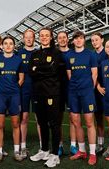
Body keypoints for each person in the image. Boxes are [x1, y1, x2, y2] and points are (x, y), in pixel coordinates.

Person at [29, 27, 65, 168]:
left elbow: (53, 70)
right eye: (41, 35)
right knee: (42, 123)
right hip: (38, 93)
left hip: (52, 93)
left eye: (46, 35)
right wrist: (44, 69)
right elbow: (31, 72)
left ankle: (55, 155)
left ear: (51, 37)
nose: (44, 37)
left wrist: (38, 69)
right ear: (39, 37)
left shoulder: (56, 53)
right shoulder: (35, 54)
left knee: (54, 124)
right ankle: (44, 150)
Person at [0, 36, 24, 163]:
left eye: (11, 43)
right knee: (0, 124)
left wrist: (15, 87)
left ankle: (16, 151)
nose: (8, 46)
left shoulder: (18, 60)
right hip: (0, 96)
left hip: (14, 95)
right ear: (2, 46)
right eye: (6, 43)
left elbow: (21, 78)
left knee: (16, 124)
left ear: (14, 46)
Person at [66, 31, 97, 165]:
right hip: (73, 92)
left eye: (81, 38)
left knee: (89, 122)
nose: (78, 41)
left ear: (84, 40)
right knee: (76, 121)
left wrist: (89, 89)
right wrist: (75, 87)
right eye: (76, 39)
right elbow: (69, 75)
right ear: (73, 41)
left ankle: (93, 153)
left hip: (87, 92)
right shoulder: (69, 55)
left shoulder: (91, 54)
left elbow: (94, 74)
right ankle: (82, 151)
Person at [91, 32, 109, 157]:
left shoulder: (108, 53)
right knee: (98, 118)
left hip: (108, 90)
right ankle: (100, 144)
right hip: (97, 90)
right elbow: (93, 74)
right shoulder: (91, 55)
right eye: (92, 40)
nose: (94, 42)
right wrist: (98, 86)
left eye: (96, 39)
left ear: (102, 40)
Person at [17, 29, 38, 159]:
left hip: (37, 90)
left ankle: (43, 146)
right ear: (23, 38)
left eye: (31, 37)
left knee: (39, 118)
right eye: (27, 37)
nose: (29, 39)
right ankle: (23, 146)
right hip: (23, 90)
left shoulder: (39, 52)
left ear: (34, 38)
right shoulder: (19, 54)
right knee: (24, 118)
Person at [56, 31, 78, 155]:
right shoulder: (55, 53)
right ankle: (59, 145)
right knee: (58, 119)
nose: (62, 39)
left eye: (64, 37)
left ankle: (73, 145)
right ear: (57, 40)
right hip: (57, 90)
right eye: (60, 38)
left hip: (72, 90)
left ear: (67, 39)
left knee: (73, 118)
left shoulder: (74, 53)